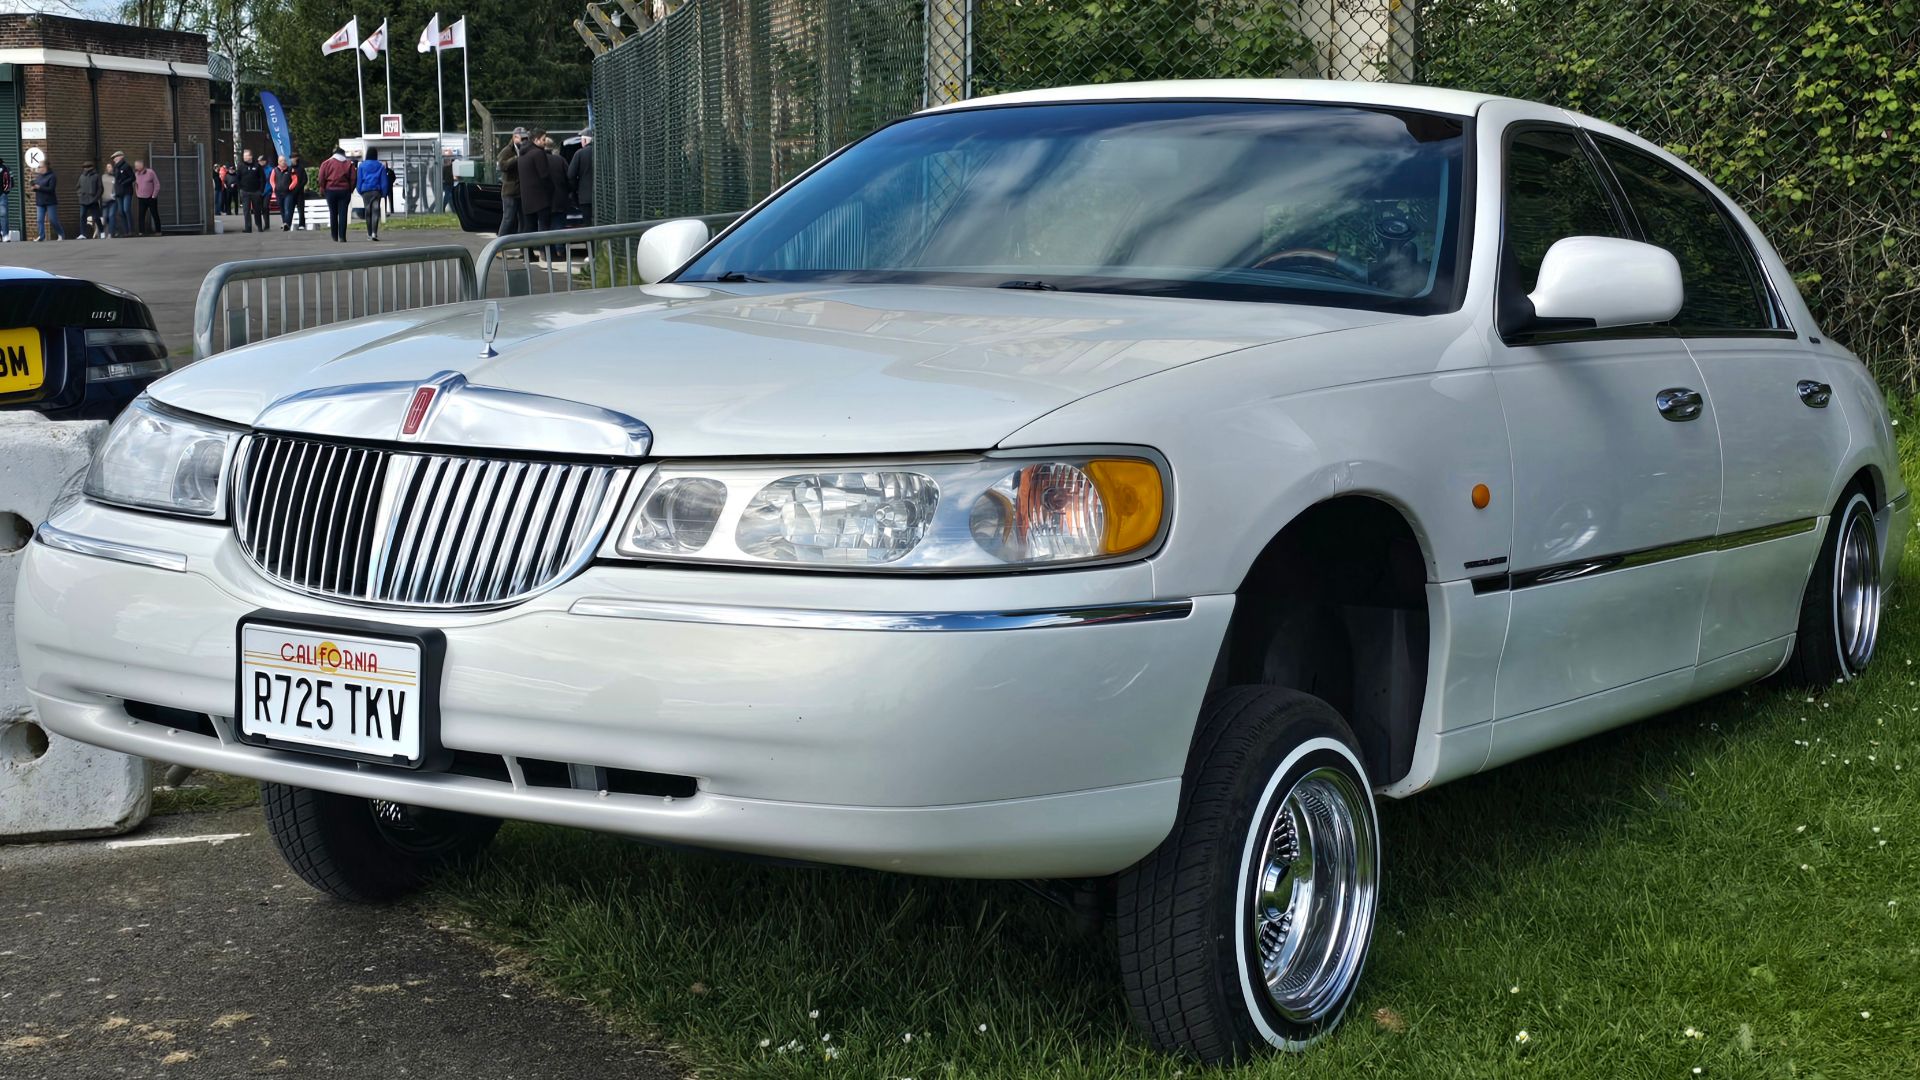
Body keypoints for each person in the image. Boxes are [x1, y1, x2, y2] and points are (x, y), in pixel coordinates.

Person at [518, 129, 553, 262]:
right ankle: (545, 252)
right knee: (544, 226)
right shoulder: (538, 154)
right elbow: (544, 175)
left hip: (527, 196)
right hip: (541, 196)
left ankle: (528, 253)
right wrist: (551, 189)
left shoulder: (522, 154)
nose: (545, 142)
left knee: (529, 226)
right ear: (536, 140)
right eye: (543, 139)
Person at [496, 125, 527, 237]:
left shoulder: (526, 149)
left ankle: (524, 249)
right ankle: (498, 246)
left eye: (525, 139)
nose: (524, 141)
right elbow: (502, 165)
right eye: (522, 138)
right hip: (510, 192)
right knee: (508, 218)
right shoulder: (507, 151)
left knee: (524, 220)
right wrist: (516, 158)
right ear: (514, 138)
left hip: (522, 191)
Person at [317, 146, 354, 242]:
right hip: (344, 191)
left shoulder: (326, 163)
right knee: (343, 214)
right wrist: (350, 189)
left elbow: (321, 178)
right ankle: (342, 236)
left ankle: (334, 236)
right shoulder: (349, 164)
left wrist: (323, 187)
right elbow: (353, 178)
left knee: (333, 213)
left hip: (330, 190)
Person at [356, 146, 389, 241]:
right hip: (376, 191)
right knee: (375, 211)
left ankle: (369, 233)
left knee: (368, 212)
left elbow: (359, 180)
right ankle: (374, 233)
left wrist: (360, 190)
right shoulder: (380, 166)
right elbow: (384, 181)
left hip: (365, 191)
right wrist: (384, 193)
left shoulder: (362, 166)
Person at [567, 129, 594, 227]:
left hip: (585, 195)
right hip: (604, 195)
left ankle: (592, 242)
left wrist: (575, 189)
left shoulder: (580, 153)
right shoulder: (601, 153)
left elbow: (571, 174)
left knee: (588, 223)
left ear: (585, 141)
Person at [236, 150, 267, 233]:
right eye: (244, 156)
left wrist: (261, 190)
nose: (244, 157)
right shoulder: (240, 165)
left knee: (257, 210)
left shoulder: (257, 166)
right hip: (245, 191)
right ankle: (248, 228)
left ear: (250, 156)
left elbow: (262, 179)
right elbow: (237, 178)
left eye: (246, 156)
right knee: (246, 211)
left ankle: (259, 226)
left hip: (256, 191)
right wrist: (240, 189)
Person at [31, 161, 63, 241]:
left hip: (50, 201)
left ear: (45, 167)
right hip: (40, 201)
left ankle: (60, 233)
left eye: (40, 167)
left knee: (53, 219)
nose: (38, 169)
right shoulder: (39, 177)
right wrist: (34, 188)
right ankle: (41, 236)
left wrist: (39, 188)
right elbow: (37, 188)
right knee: (39, 220)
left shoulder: (52, 176)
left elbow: (51, 189)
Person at [133, 159, 163, 236]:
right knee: (141, 215)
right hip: (141, 198)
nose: (135, 167)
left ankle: (158, 231)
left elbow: (157, 184)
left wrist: (154, 195)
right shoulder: (136, 174)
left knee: (154, 214)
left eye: (137, 166)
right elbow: (136, 185)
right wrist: (137, 193)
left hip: (151, 198)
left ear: (141, 165)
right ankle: (141, 232)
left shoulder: (150, 172)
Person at [270, 155, 298, 231]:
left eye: (284, 160)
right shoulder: (275, 170)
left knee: (287, 208)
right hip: (279, 193)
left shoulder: (290, 169)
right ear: (278, 162)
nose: (283, 162)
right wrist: (274, 187)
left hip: (288, 193)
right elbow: (271, 180)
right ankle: (285, 223)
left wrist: (291, 186)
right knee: (282, 209)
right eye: (281, 161)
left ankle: (287, 224)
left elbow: (295, 179)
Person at [75, 161, 102, 239]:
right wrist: (80, 195)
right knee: (82, 216)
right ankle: (83, 234)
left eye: (87, 167)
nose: (86, 169)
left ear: (91, 167)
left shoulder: (96, 176)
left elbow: (100, 188)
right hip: (83, 200)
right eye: (85, 168)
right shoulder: (81, 177)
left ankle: (101, 230)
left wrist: (96, 197)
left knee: (96, 217)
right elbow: (78, 187)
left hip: (93, 200)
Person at [110, 152, 134, 238]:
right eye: (113, 158)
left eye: (115, 157)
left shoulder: (126, 166)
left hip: (127, 191)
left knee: (126, 209)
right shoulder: (115, 168)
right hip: (118, 193)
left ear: (121, 157)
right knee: (120, 212)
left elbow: (132, 177)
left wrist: (123, 182)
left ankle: (131, 230)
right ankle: (125, 231)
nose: (114, 159)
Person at [99, 160, 121, 238]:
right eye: (108, 167)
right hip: (104, 200)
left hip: (113, 200)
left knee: (111, 216)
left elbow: (117, 187)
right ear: (106, 168)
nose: (109, 168)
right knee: (105, 217)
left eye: (110, 166)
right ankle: (115, 230)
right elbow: (100, 188)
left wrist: (116, 194)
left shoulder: (115, 177)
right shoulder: (103, 177)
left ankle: (110, 234)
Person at [288, 154, 308, 230]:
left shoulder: (301, 168)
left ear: (297, 158)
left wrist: (299, 187)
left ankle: (302, 225)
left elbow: (305, 179)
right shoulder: (289, 169)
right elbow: (287, 180)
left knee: (301, 210)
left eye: (293, 158)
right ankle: (288, 224)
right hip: (291, 193)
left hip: (300, 193)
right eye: (290, 158)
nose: (292, 159)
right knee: (290, 209)